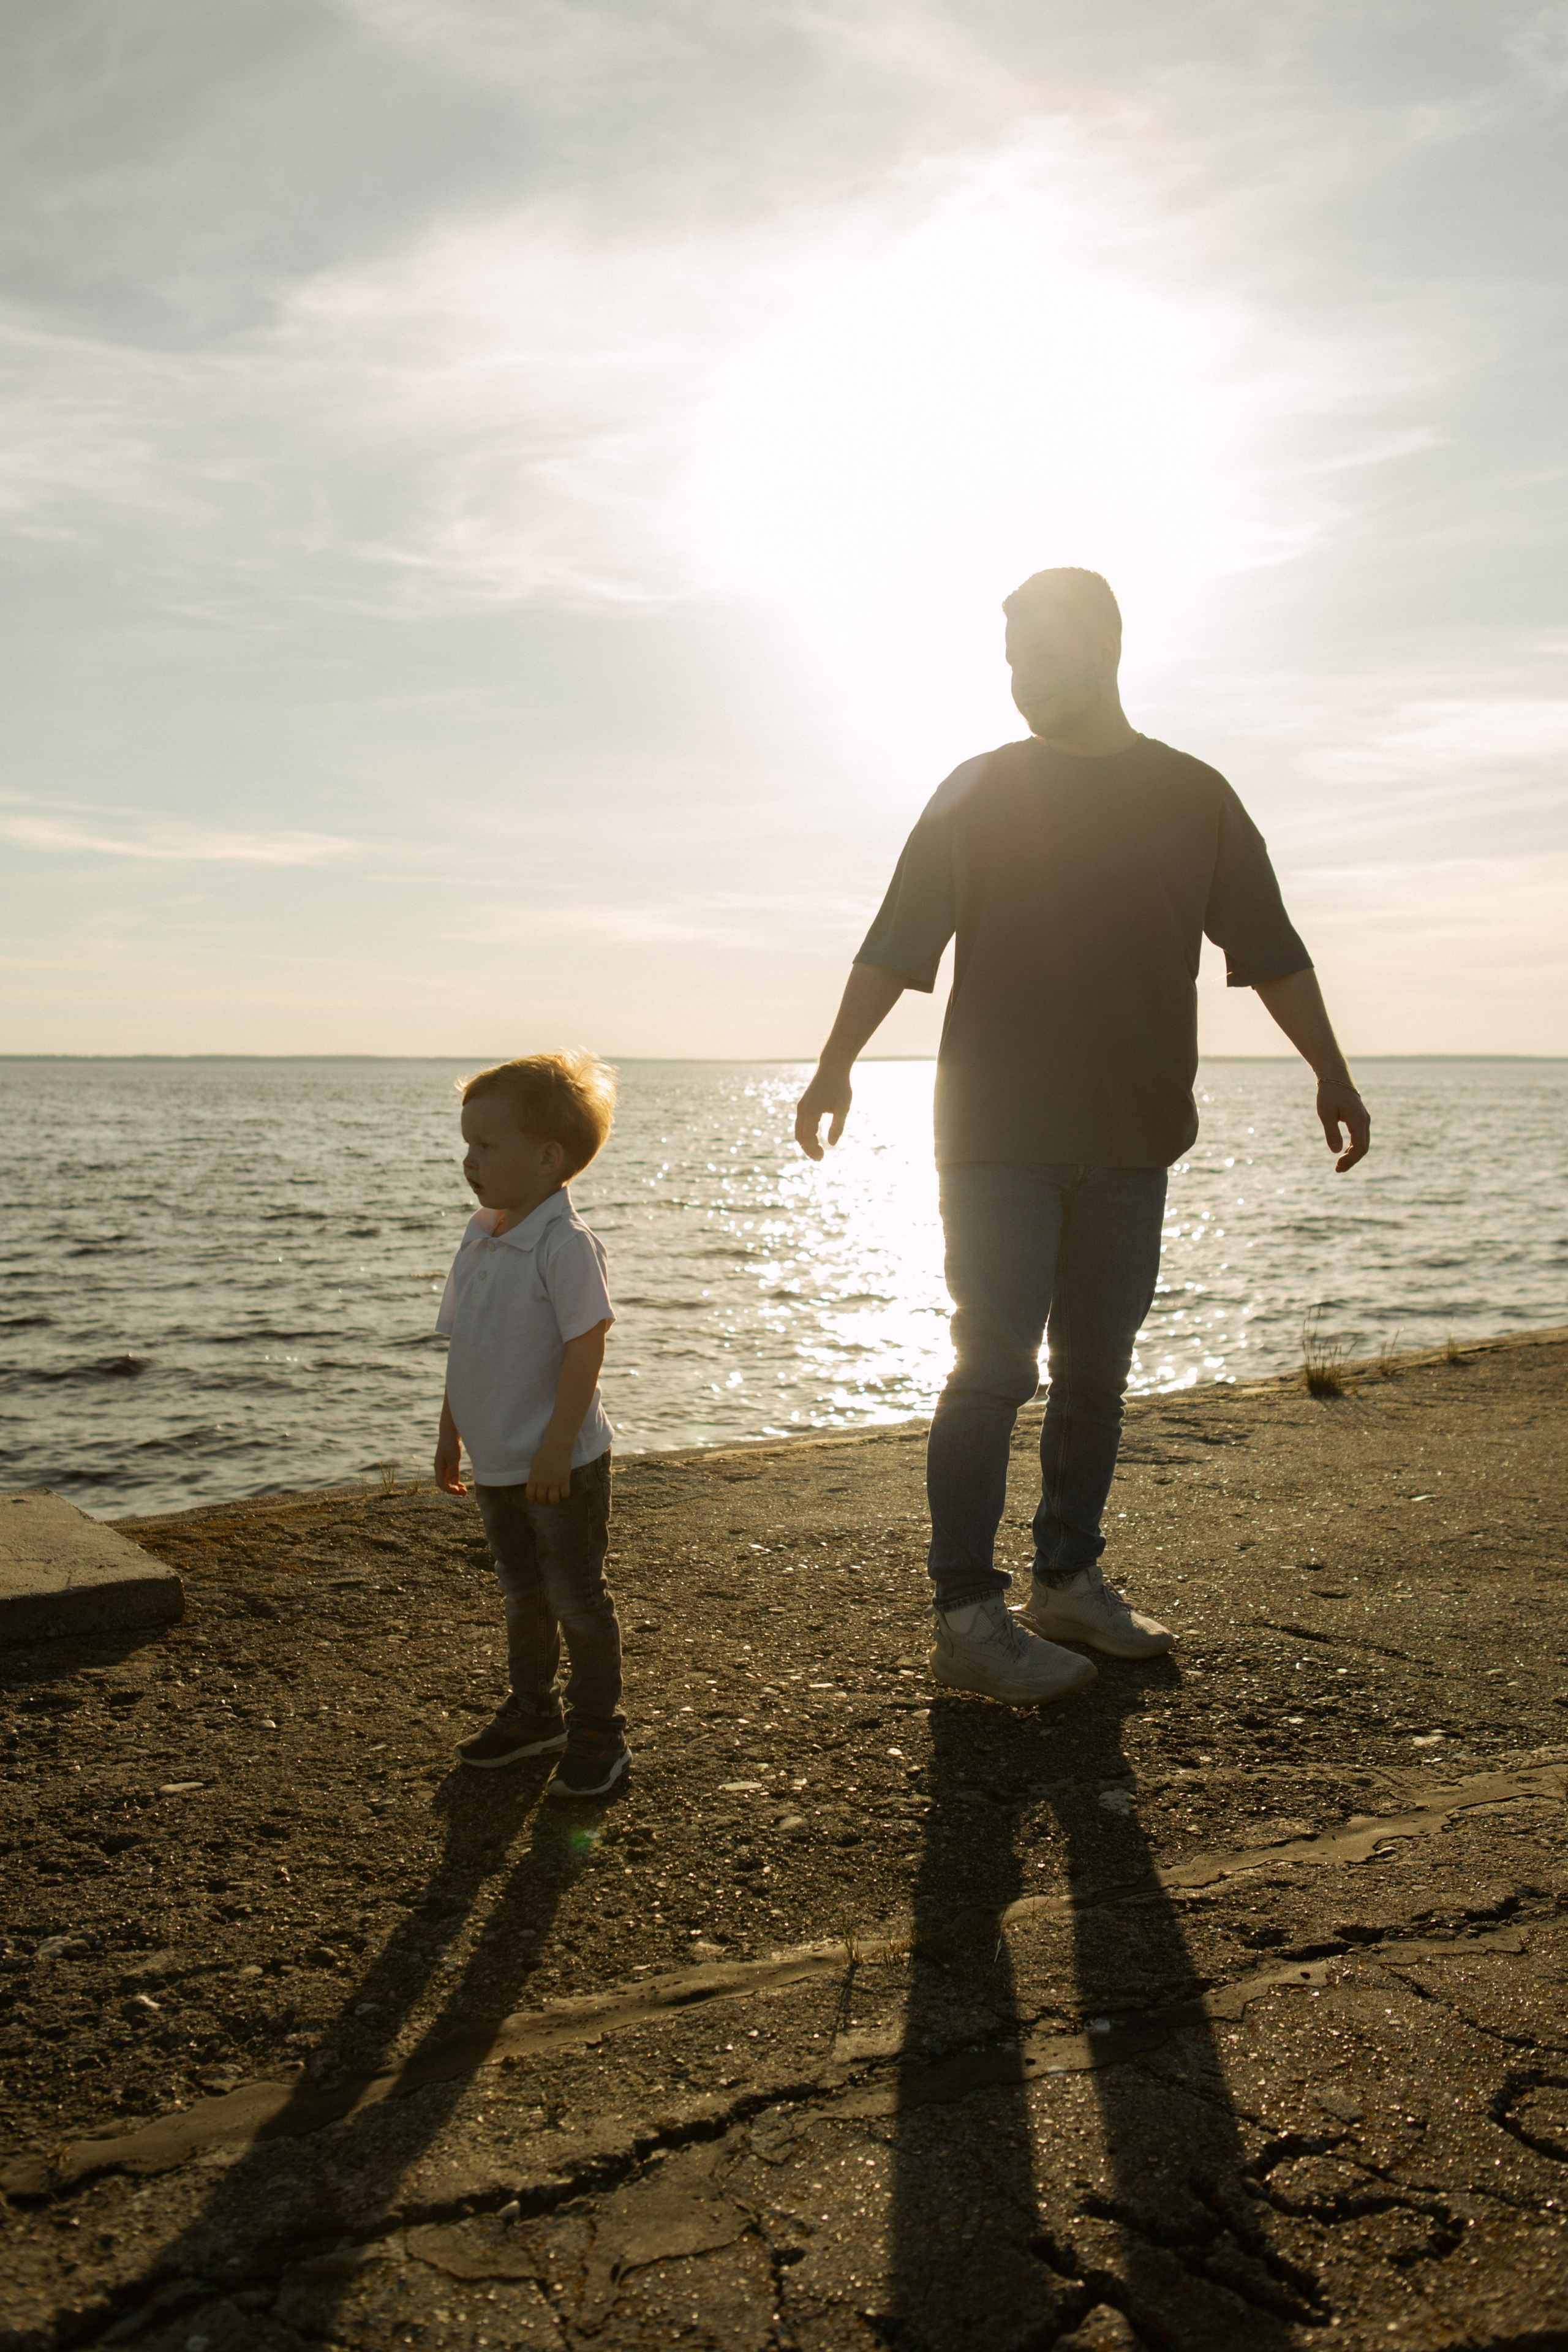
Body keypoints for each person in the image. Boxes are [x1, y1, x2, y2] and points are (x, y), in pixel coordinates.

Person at [794, 567, 1370, 1709]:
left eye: (1041, 653)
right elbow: (897, 941)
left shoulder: (1193, 795)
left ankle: (1065, 1579)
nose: (1021, 679)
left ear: (1105, 645)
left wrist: (1332, 1070)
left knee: (1096, 1374)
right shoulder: (978, 790)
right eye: (1009, 658)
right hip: (997, 1132)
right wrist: (835, 1061)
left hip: (1131, 1136)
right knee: (992, 1366)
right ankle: (967, 1613)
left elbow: (1270, 947)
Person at [433, 1050, 629, 1797]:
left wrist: (555, 1447)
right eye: (467, 1143)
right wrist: (452, 1431)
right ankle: (533, 1712)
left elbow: (587, 1344)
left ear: (548, 1158)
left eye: (487, 1145)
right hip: (497, 1460)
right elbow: (468, 1347)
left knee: (576, 1598)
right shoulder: (482, 1235)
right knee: (522, 1595)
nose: (469, 1160)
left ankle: (598, 1732)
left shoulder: (562, 1244)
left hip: (560, 1465)